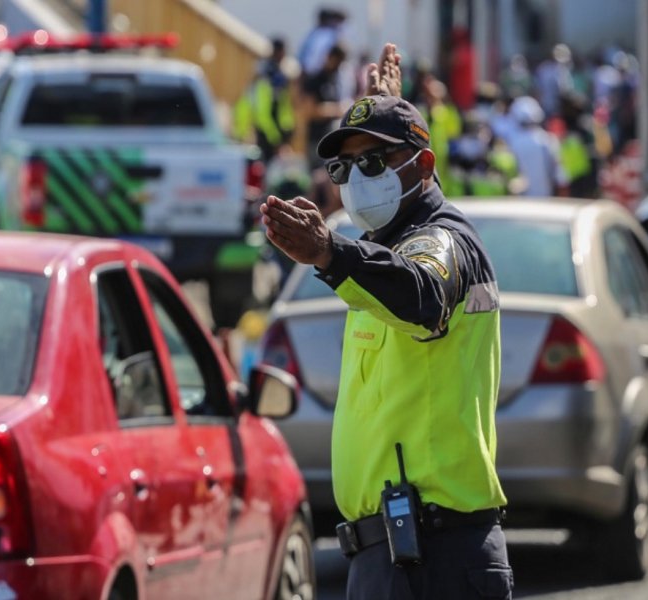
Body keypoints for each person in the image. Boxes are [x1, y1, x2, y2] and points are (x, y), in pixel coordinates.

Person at [260, 43, 512, 600]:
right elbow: (394, 263)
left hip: (432, 559)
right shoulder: (389, 245)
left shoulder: (443, 239)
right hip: (389, 557)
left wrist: (330, 253)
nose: (354, 180)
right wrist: (389, 116)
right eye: (343, 166)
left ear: (423, 167)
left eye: (372, 163)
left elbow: (420, 290)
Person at [233, 37, 296, 163]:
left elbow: (283, 108)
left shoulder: (277, 73)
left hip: (274, 132)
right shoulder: (266, 74)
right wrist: (275, 139)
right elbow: (263, 114)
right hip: (267, 133)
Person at [301, 43, 348, 211]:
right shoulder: (315, 79)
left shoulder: (334, 80)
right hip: (316, 141)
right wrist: (337, 109)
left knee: (332, 186)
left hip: (331, 141)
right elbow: (309, 110)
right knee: (317, 185)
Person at [505, 95, 569, 197]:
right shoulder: (548, 140)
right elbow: (561, 179)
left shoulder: (512, 143)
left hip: (518, 204)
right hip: (545, 202)